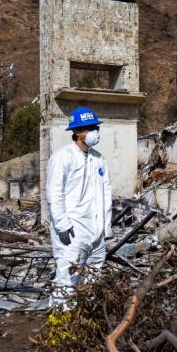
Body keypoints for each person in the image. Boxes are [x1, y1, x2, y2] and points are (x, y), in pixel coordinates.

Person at [45, 106, 112, 309]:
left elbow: (106, 193)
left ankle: (85, 321)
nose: (94, 132)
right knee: (68, 278)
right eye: (88, 128)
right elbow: (54, 193)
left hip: (96, 232)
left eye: (94, 127)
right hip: (73, 232)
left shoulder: (98, 158)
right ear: (76, 132)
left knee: (93, 278)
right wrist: (63, 225)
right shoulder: (62, 157)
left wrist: (106, 227)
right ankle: (61, 324)